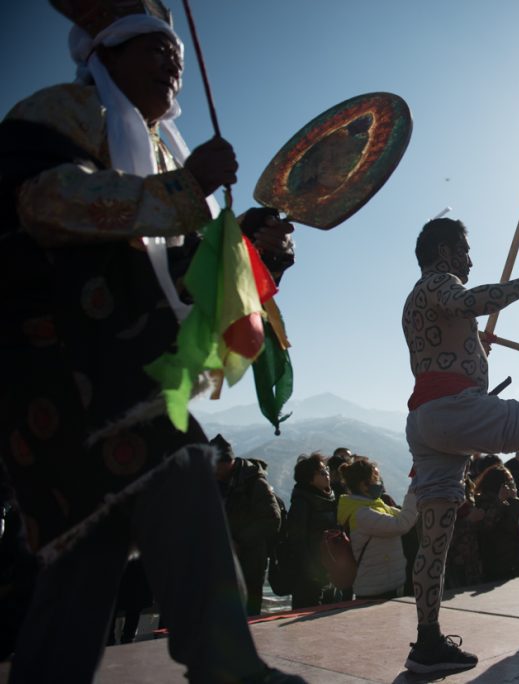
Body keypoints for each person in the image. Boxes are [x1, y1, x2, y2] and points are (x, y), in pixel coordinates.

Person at [0, 2, 299, 681]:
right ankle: (224, 661)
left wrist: (249, 250)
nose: (172, 62)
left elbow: (183, 279)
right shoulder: (54, 113)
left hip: (116, 371)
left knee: (89, 547)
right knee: (176, 458)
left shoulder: (164, 152)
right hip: (60, 367)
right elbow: (44, 203)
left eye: (178, 56)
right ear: (106, 53)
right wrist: (189, 188)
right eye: (152, 48)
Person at [401, 217, 519, 673]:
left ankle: (426, 642)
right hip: (454, 409)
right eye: (465, 251)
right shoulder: (439, 283)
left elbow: (449, 341)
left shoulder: (416, 302)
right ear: (447, 251)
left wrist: (477, 349)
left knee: (435, 540)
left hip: (426, 420)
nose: (469, 261)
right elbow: (470, 300)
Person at [212, 434, 281, 616]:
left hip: (250, 558)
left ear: (228, 462)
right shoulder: (215, 482)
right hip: (222, 559)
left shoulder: (254, 482)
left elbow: (272, 518)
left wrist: (238, 541)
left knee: (248, 610)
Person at [336, 457, 418, 600]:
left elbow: (407, 517)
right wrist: (414, 489)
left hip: (386, 583)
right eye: (376, 480)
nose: (380, 484)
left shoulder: (375, 506)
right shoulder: (361, 514)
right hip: (374, 588)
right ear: (363, 485)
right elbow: (402, 524)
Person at [287, 453, 340, 610]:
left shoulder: (329, 499)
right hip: (310, 572)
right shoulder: (301, 503)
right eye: (322, 473)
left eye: (327, 471)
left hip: (328, 567)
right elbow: (297, 540)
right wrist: (312, 570)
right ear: (309, 479)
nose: (327, 475)